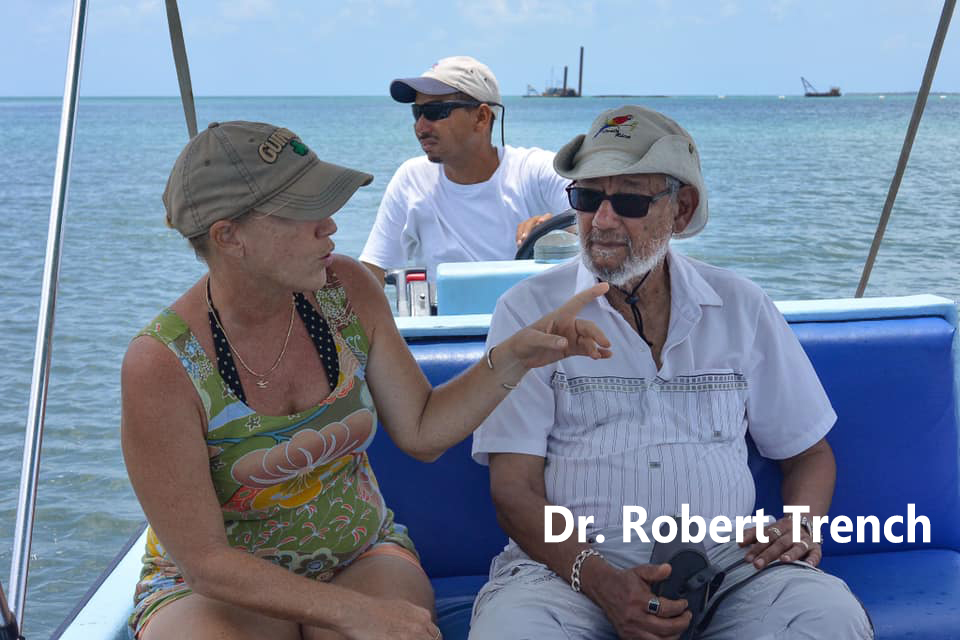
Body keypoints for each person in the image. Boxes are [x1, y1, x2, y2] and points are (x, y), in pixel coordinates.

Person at [121, 120, 612, 640]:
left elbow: (422, 431)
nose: (330, 225)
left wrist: (516, 356)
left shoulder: (345, 291)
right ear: (229, 236)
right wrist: (349, 613)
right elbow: (206, 562)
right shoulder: (163, 364)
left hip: (359, 554)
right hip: (212, 587)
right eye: (304, 211)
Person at [469, 106, 874, 639]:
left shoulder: (742, 306)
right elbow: (514, 488)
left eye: (630, 201)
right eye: (587, 198)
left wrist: (799, 524)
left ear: (681, 210)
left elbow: (808, 453)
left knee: (828, 619)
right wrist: (600, 580)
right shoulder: (528, 311)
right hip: (569, 570)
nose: (602, 220)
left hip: (729, 563)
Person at [359, 56, 569, 284]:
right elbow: (373, 271)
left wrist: (558, 232)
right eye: (417, 112)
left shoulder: (536, 171)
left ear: (481, 117)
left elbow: (596, 225)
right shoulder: (411, 179)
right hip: (442, 309)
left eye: (435, 111)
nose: (420, 126)